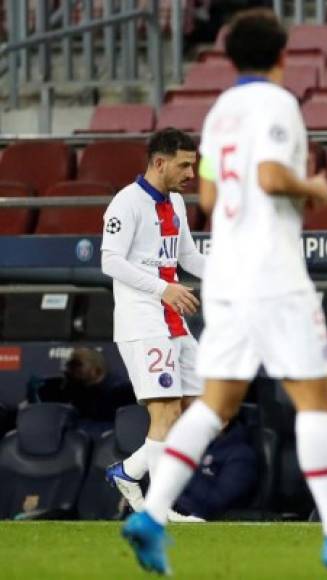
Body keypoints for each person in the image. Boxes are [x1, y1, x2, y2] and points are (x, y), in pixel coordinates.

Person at [121, 9, 327, 575]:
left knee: (215, 405)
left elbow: (207, 190)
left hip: (228, 274)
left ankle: (152, 513)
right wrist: (314, 188)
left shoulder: (221, 111)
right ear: (283, 55)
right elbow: (272, 176)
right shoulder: (277, 104)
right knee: (317, 400)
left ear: (231, 58)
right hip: (272, 276)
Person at [101, 128, 206, 523]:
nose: (191, 173)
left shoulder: (176, 203)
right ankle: (160, 510)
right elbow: (109, 261)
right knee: (164, 411)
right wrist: (163, 288)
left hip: (172, 321)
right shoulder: (125, 204)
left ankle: (129, 471)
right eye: (184, 165)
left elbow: (189, 258)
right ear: (160, 162)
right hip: (142, 321)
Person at [35, 347, 135, 436]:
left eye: (76, 364)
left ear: (96, 370)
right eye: (69, 364)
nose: (68, 370)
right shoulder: (69, 388)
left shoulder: (122, 394)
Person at [173, 418, 258, 521]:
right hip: (171, 509)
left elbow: (217, 503)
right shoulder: (195, 443)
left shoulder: (242, 455)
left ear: (223, 422)